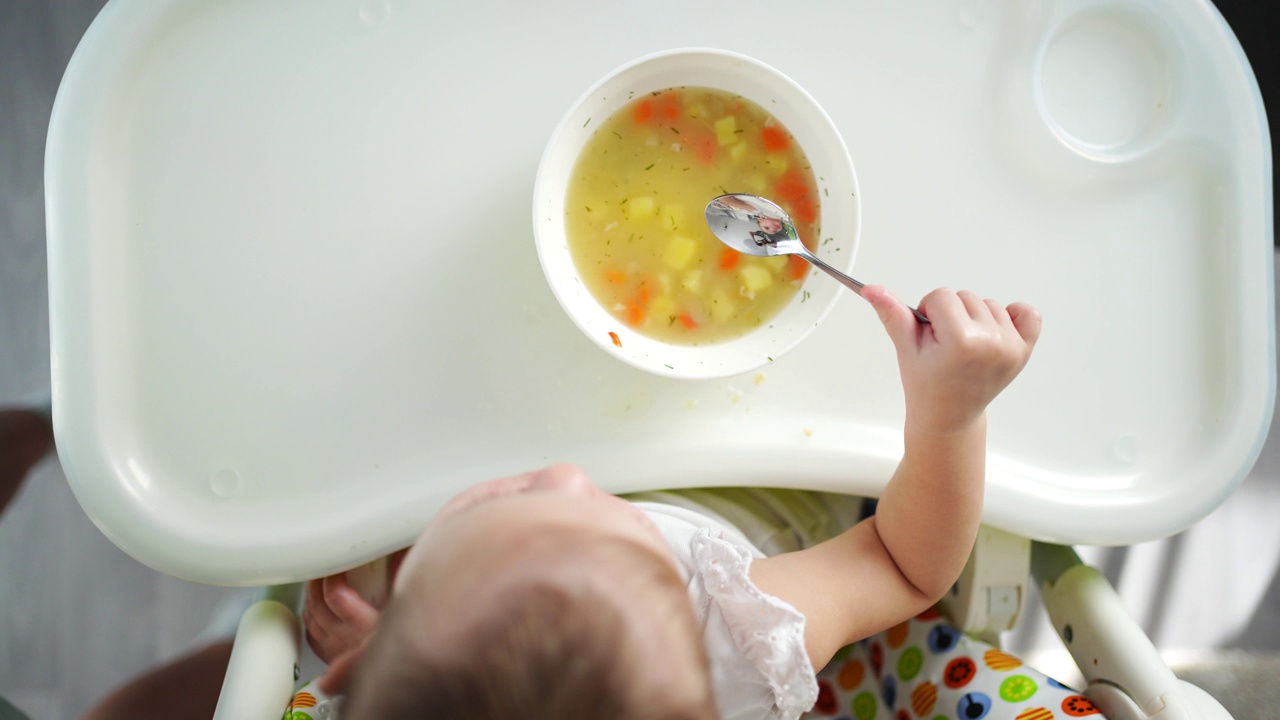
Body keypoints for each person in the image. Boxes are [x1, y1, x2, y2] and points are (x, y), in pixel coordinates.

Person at [289, 284, 1043, 720]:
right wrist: (951, 412)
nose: (562, 473)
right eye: (595, 517)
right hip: (766, 473)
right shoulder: (738, 632)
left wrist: (389, 652)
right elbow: (904, 566)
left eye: (514, 501)